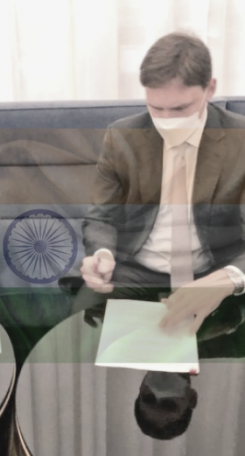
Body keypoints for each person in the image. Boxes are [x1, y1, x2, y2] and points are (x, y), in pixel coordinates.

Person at [79, 32, 245, 334]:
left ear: (210, 89)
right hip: (135, 272)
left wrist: (230, 277)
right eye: (156, 108)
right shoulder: (122, 137)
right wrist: (102, 254)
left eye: (180, 109)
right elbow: (101, 217)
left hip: (214, 272)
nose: (167, 120)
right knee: (82, 332)